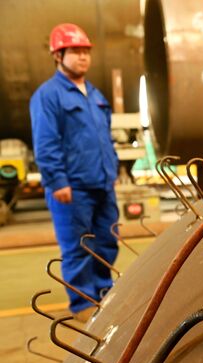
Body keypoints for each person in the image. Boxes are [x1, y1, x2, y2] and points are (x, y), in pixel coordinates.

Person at [30, 23, 119, 322]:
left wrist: (113, 169)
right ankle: (82, 304)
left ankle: (104, 292)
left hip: (102, 182)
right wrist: (57, 180)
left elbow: (104, 135)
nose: (82, 57)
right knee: (79, 246)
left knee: (106, 240)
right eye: (75, 51)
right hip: (73, 187)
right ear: (58, 55)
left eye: (85, 51)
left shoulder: (94, 94)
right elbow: (45, 141)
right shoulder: (48, 95)